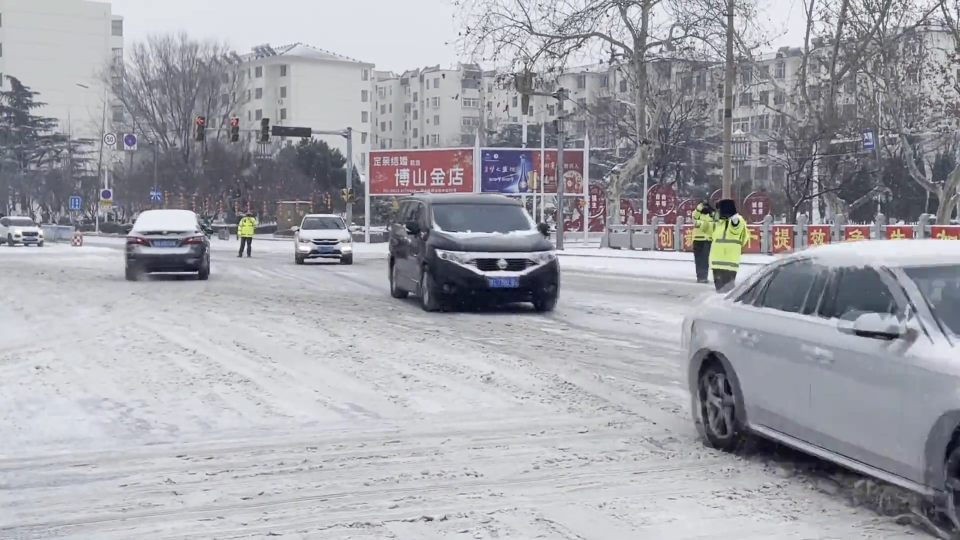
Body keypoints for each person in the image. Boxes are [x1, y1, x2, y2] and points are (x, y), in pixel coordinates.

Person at [708, 199, 749, 292]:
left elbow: (736, 225)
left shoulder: (738, 220)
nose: (718, 212)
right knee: (719, 291)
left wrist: (733, 215)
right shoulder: (719, 223)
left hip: (729, 263)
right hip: (716, 263)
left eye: (720, 209)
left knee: (727, 292)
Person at [691, 201, 716, 283]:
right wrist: (699, 209)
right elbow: (694, 218)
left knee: (705, 259)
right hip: (698, 239)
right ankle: (700, 276)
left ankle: (703, 277)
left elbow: (715, 223)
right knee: (699, 259)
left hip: (707, 239)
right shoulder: (697, 213)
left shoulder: (712, 213)